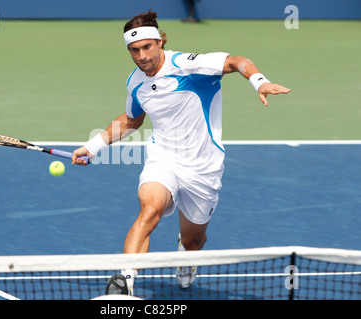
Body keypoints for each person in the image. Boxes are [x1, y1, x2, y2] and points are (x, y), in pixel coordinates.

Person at [72, 11, 291, 295]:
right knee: (150, 209)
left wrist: (259, 81)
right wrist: (93, 146)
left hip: (204, 168)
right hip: (163, 159)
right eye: (134, 50)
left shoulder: (189, 66)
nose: (141, 56)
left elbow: (237, 62)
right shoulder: (135, 82)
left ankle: (186, 256)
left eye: (147, 47)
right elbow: (132, 120)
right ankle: (123, 280)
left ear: (160, 42)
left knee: (193, 241)